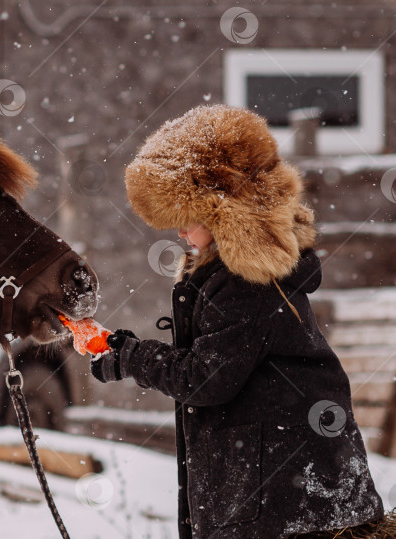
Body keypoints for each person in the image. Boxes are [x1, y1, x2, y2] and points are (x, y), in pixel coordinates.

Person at [91, 105, 394, 538]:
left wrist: (132, 359)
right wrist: (126, 350)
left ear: (222, 211)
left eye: (186, 218)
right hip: (292, 491)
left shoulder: (244, 282)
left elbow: (205, 379)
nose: (178, 233)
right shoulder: (236, 278)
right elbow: (212, 360)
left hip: (283, 498)